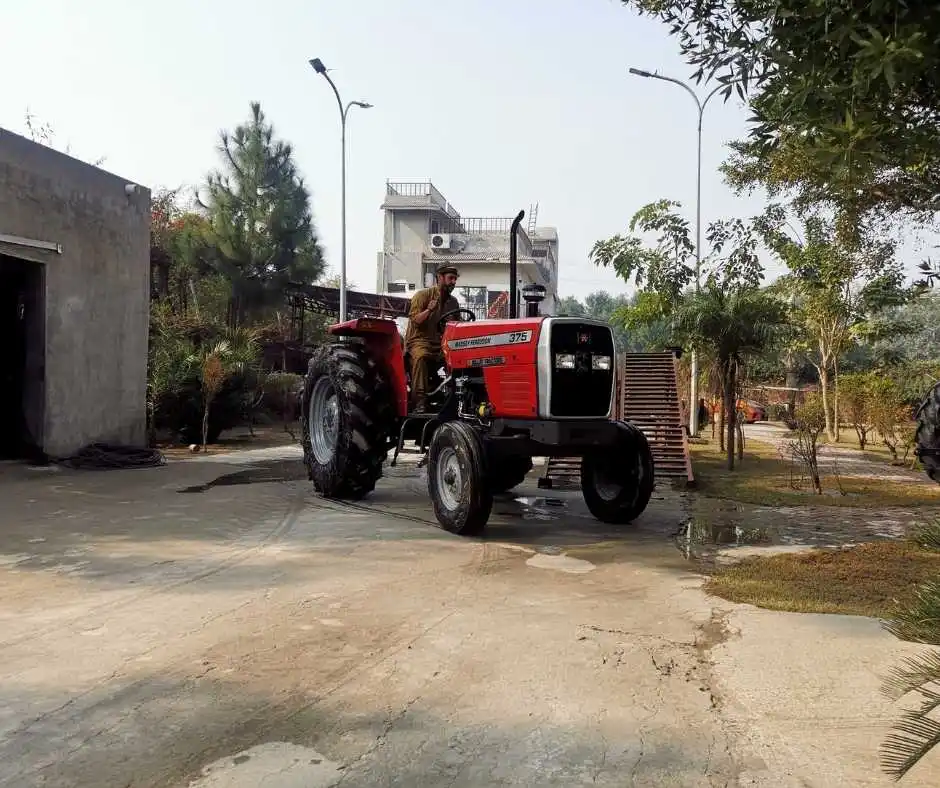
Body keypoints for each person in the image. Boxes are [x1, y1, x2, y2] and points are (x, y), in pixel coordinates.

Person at [404, 265, 460, 412]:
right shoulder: (422, 295)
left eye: (455, 279)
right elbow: (415, 321)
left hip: (441, 343)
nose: (453, 282)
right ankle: (419, 401)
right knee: (421, 356)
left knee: (459, 358)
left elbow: (458, 325)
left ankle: (455, 396)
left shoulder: (453, 302)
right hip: (419, 341)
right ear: (440, 278)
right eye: (450, 278)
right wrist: (429, 310)